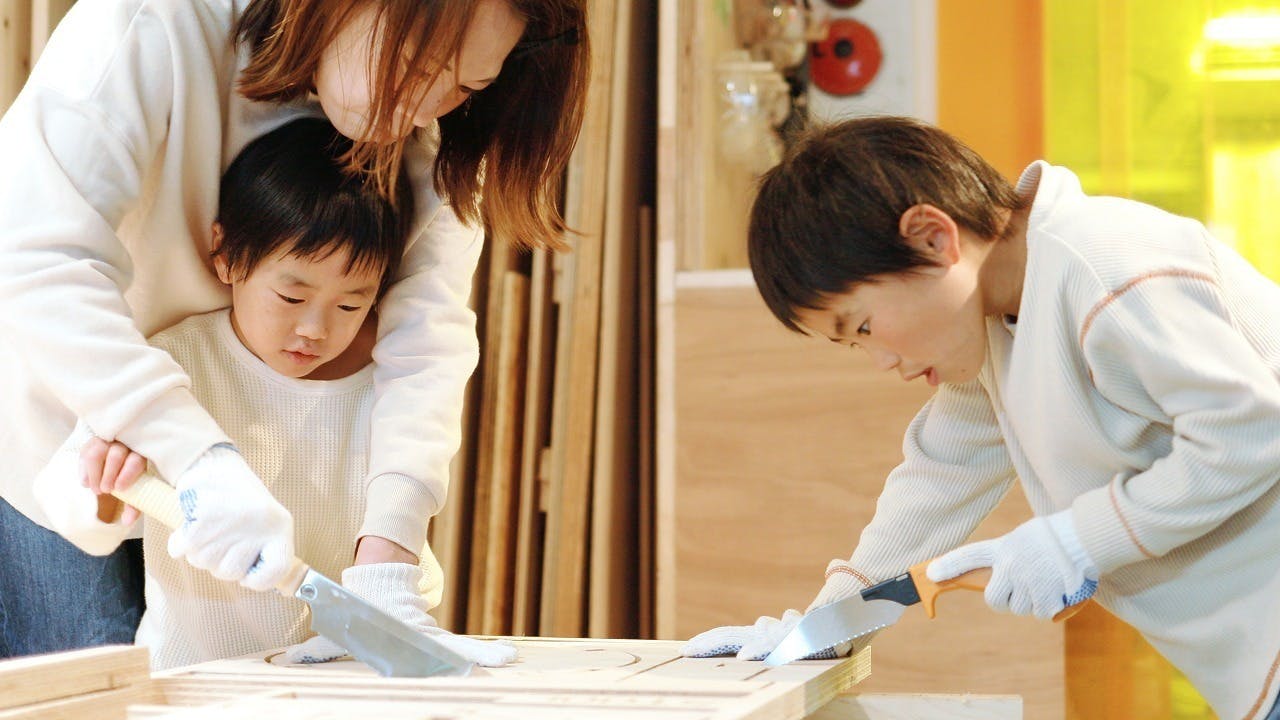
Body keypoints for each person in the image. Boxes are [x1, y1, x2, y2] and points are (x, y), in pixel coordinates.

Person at [0, 0, 588, 659]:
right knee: (90, 681)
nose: (424, 110)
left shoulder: (438, 130)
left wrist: (387, 566)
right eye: (418, 66)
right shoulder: (153, 22)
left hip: (253, 465)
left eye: (468, 85)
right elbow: (33, 255)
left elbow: (427, 346)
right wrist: (194, 456)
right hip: (84, 437)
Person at [681, 116, 1280, 720]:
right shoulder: (999, 320)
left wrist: (1076, 540)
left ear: (932, 239)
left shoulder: (1105, 267)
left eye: (862, 326)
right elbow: (940, 476)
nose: (881, 361)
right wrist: (824, 627)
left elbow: (1252, 430)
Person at [36, 117, 515, 670]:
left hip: (343, 680)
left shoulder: (391, 390)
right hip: (191, 677)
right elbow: (64, 499)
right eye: (291, 297)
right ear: (226, 254)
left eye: (350, 304)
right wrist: (108, 488)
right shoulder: (174, 365)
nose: (315, 329)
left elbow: (405, 532)